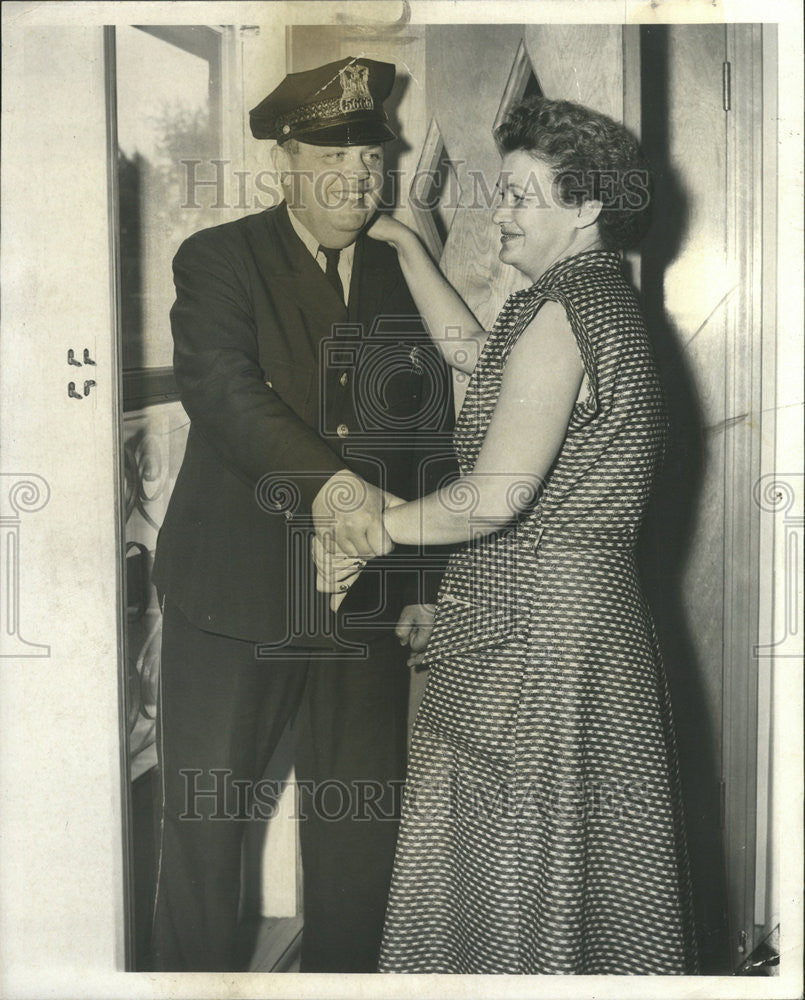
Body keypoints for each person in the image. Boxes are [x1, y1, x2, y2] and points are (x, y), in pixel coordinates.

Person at [317, 95, 698, 974]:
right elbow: (477, 357)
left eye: (524, 196)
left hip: (534, 632)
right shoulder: (596, 298)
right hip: (584, 626)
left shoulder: (565, 311)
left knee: (511, 868)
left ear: (586, 207)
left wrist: (376, 527)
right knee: (574, 868)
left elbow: (494, 494)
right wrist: (412, 244)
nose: (501, 212)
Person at [150, 56, 456, 973]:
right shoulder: (218, 259)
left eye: (371, 160)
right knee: (207, 841)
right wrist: (335, 488)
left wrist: (424, 585)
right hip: (233, 596)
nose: (357, 179)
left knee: (359, 845)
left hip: (366, 604)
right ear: (283, 161)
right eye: (332, 159)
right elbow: (225, 393)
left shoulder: (404, 276)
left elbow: (427, 431)